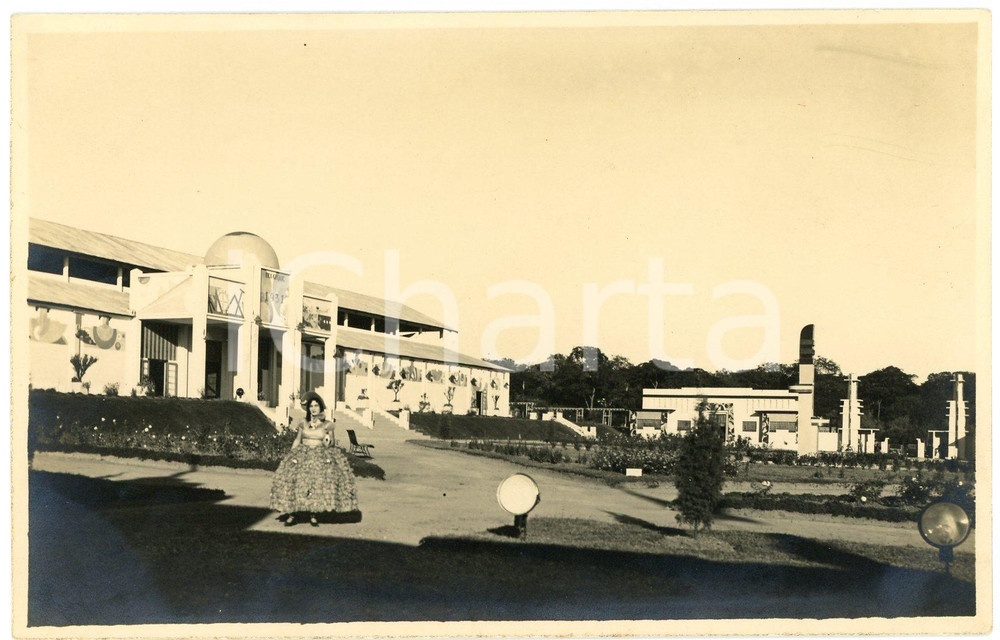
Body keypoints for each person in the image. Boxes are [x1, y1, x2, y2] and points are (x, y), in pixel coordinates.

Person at [270, 391, 360, 526]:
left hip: (319, 454)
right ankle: (292, 514)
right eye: (311, 406)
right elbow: (297, 440)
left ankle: (313, 514)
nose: (313, 408)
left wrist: (327, 439)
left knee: (315, 485)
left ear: (321, 407)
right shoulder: (303, 423)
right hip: (303, 454)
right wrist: (290, 454)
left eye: (316, 406)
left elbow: (331, 443)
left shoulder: (327, 425)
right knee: (296, 483)